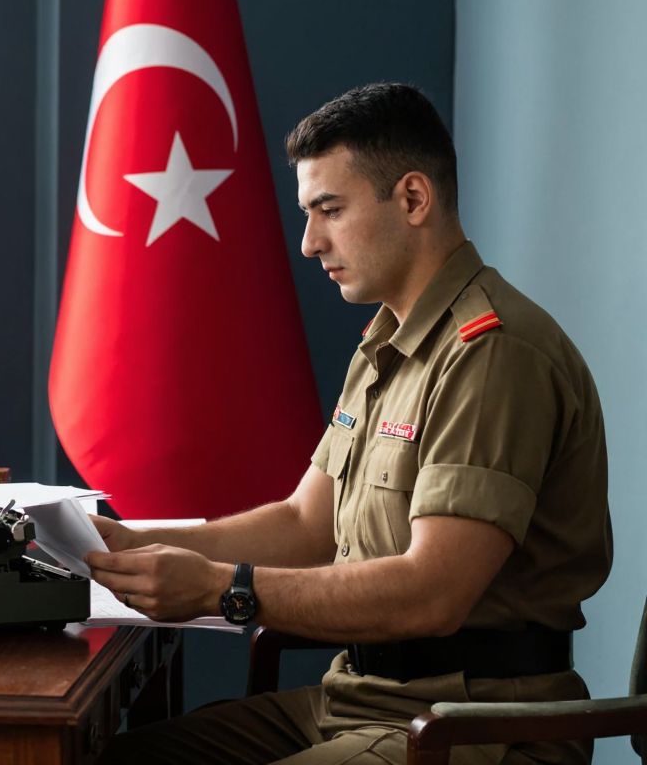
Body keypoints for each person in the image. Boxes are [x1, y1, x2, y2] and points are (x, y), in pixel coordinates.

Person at [88, 83, 611, 764]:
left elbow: (433, 593)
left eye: (329, 210)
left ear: (414, 199)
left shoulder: (493, 353)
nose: (309, 243)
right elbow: (309, 524)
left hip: (475, 724)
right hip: (360, 698)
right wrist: (132, 543)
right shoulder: (386, 341)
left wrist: (223, 589)